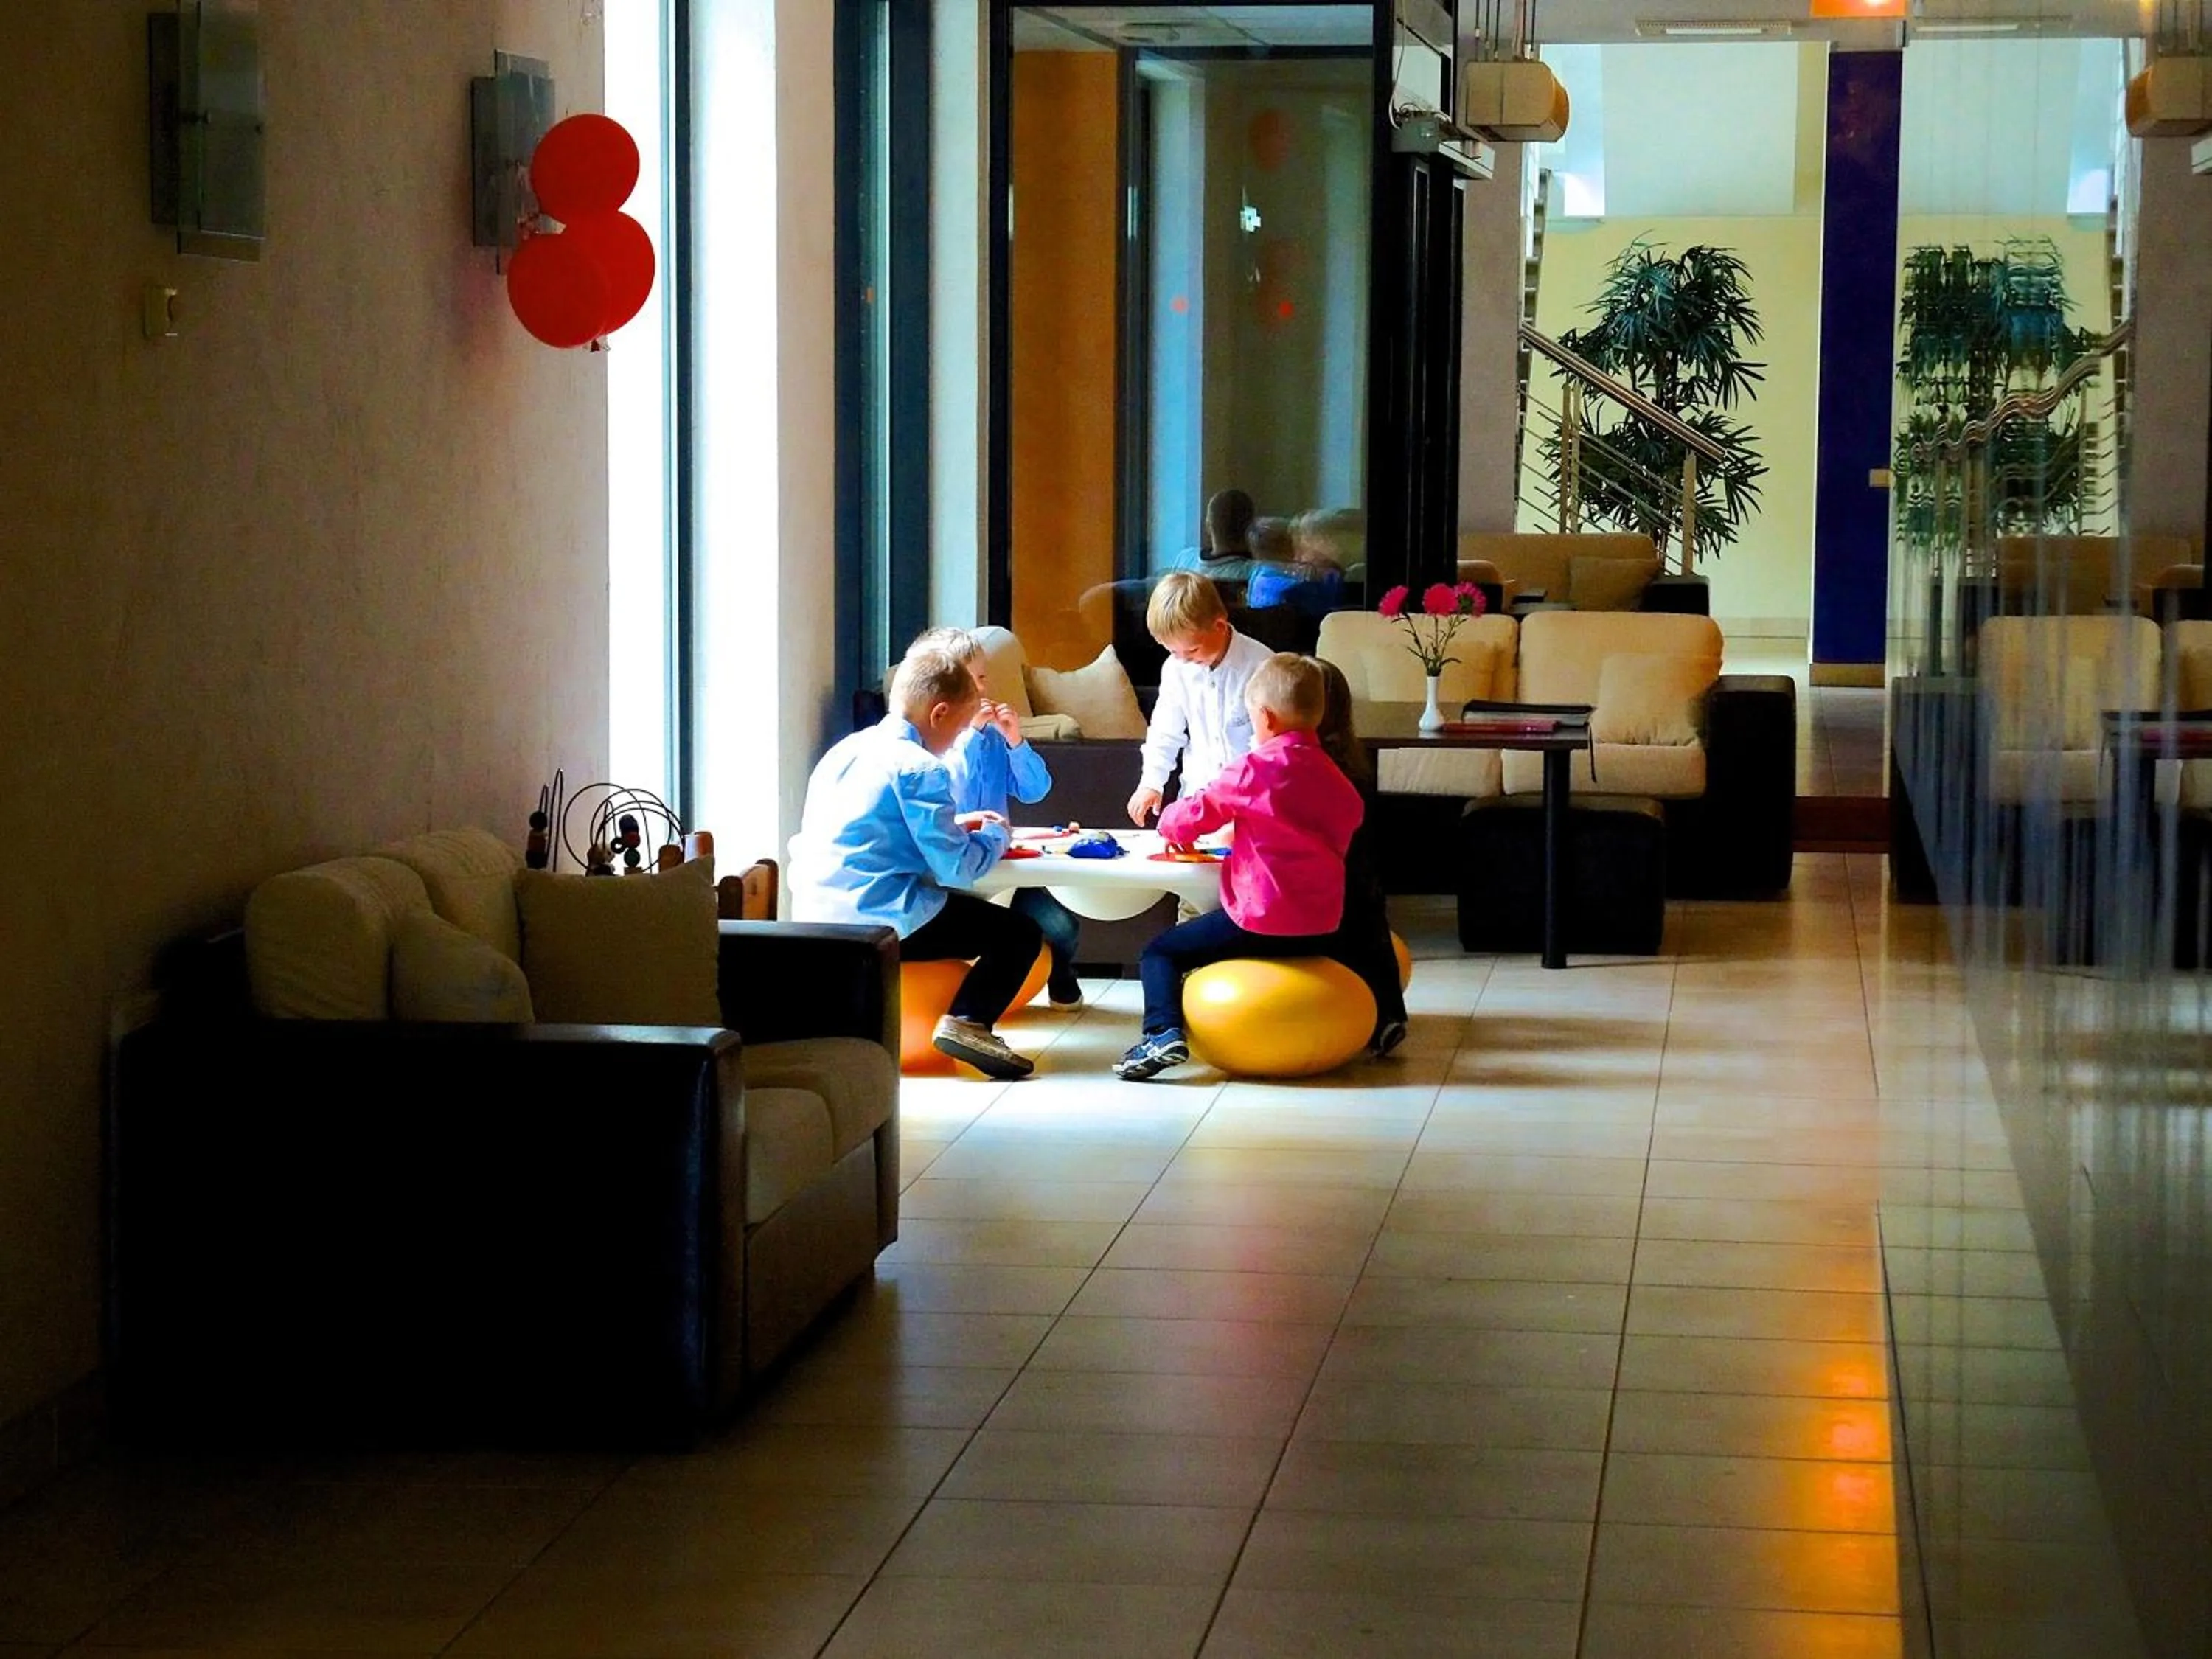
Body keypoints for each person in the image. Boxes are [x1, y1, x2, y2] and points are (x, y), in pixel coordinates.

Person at [790, 645, 1042, 1079]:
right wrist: (997, 834)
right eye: (961, 727)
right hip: (882, 916)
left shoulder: (846, 750)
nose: (957, 739)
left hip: (816, 913)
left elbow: (875, 826)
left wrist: (958, 820)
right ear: (940, 713)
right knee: (1019, 933)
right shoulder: (920, 767)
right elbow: (957, 869)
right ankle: (969, 1022)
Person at [1114, 654, 1365, 1082]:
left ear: (1264, 718)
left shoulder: (1254, 770)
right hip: (1324, 925)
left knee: (1160, 952)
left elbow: (1192, 813)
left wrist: (1172, 820)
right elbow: (1346, 821)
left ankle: (1161, 1034)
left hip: (1260, 922)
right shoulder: (1337, 778)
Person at [907, 626, 1085, 1008]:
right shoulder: (935, 744)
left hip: (1002, 857)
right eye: (973, 680)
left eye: (984, 678)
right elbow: (955, 793)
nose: (982, 690)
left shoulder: (991, 738)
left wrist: (1015, 741)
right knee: (1007, 931)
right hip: (960, 867)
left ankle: (1060, 969)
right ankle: (973, 1002)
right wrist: (970, 734)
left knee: (1062, 926)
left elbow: (1036, 789)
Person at [1311, 657, 1410, 1057]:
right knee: (1371, 924)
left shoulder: (1306, 766)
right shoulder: (1354, 760)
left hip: (1321, 888)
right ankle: (1389, 1014)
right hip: (1360, 881)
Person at [1127, 571, 1274, 829]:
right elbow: (1165, 732)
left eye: (1192, 649)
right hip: (1197, 802)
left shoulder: (1262, 666)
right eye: (1172, 651)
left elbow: (1267, 748)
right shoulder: (1176, 668)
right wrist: (1151, 782)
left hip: (1250, 806)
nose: (1183, 658)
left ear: (1219, 625)